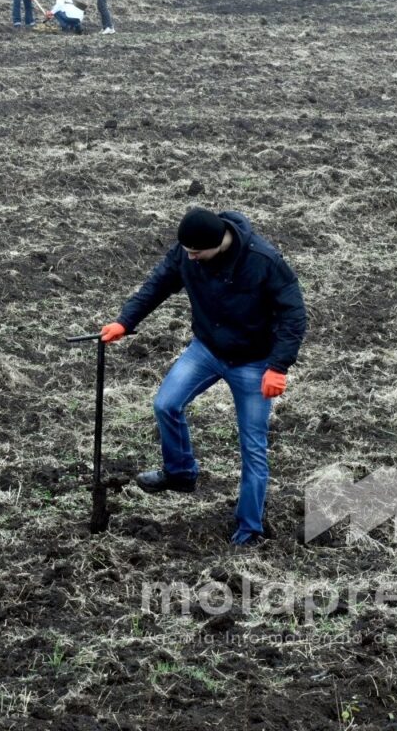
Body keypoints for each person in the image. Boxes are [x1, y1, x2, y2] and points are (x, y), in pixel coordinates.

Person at [98, 207, 306, 548]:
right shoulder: (188, 252)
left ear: (218, 243)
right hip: (207, 348)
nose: (190, 257)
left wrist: (278, 367)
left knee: (253, 448)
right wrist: (125, 321)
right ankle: (180, 473)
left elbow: (294, 314)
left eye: (196, 252)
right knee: (166, 403)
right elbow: (159, 283)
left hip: (254, 362)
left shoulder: (263, 260)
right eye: (187, 251)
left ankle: (249, 528)